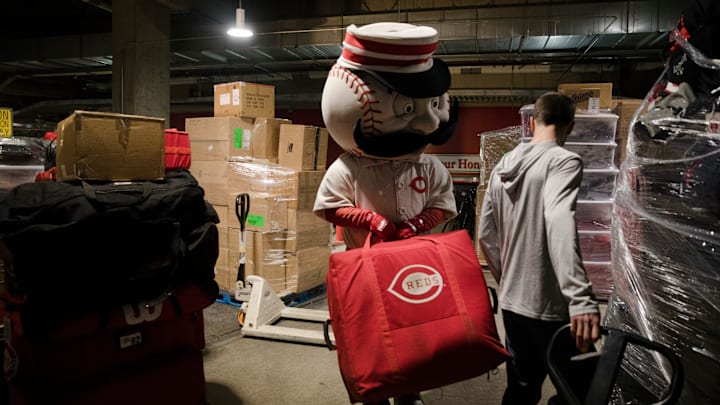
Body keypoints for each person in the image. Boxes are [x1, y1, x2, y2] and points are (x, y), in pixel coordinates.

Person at [313, 22, 459, 405]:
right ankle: (376, 391)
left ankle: (409, 391)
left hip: (414, 263)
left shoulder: (428, 166)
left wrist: (417, 224)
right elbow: (328, 206)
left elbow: (443, 203)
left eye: (433, 106)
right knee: (371, 334)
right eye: (407, 108)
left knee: (412, 330)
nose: (428, 123)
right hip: (363, 264)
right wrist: (368, 219)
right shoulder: (349, 166)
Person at [478, 92, 601, 405]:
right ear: (570, 127)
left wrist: (507, 279)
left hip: (512, 305)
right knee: (583, 393)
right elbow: (559, 219)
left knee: (521, 389)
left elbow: (485, 236)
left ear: (532, 122)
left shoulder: (503, 165)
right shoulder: (563, 161)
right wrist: (580, 299)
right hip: (550, 308)